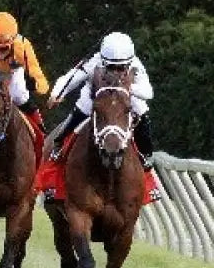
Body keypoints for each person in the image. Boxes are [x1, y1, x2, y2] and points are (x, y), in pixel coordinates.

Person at [46, 31, 154, 169]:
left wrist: (125, 87)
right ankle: (58, 144)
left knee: (142, 112)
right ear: (103, 61)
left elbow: (148, 92)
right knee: (79, 113)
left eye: (121, 68)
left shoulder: (136, 65)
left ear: (128, 63)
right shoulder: (94, 62)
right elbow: (72, 77)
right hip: (96, 96)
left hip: (125, 97)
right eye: (111, 67)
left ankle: (145, 154)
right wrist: (56, 93)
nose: (116, 72)